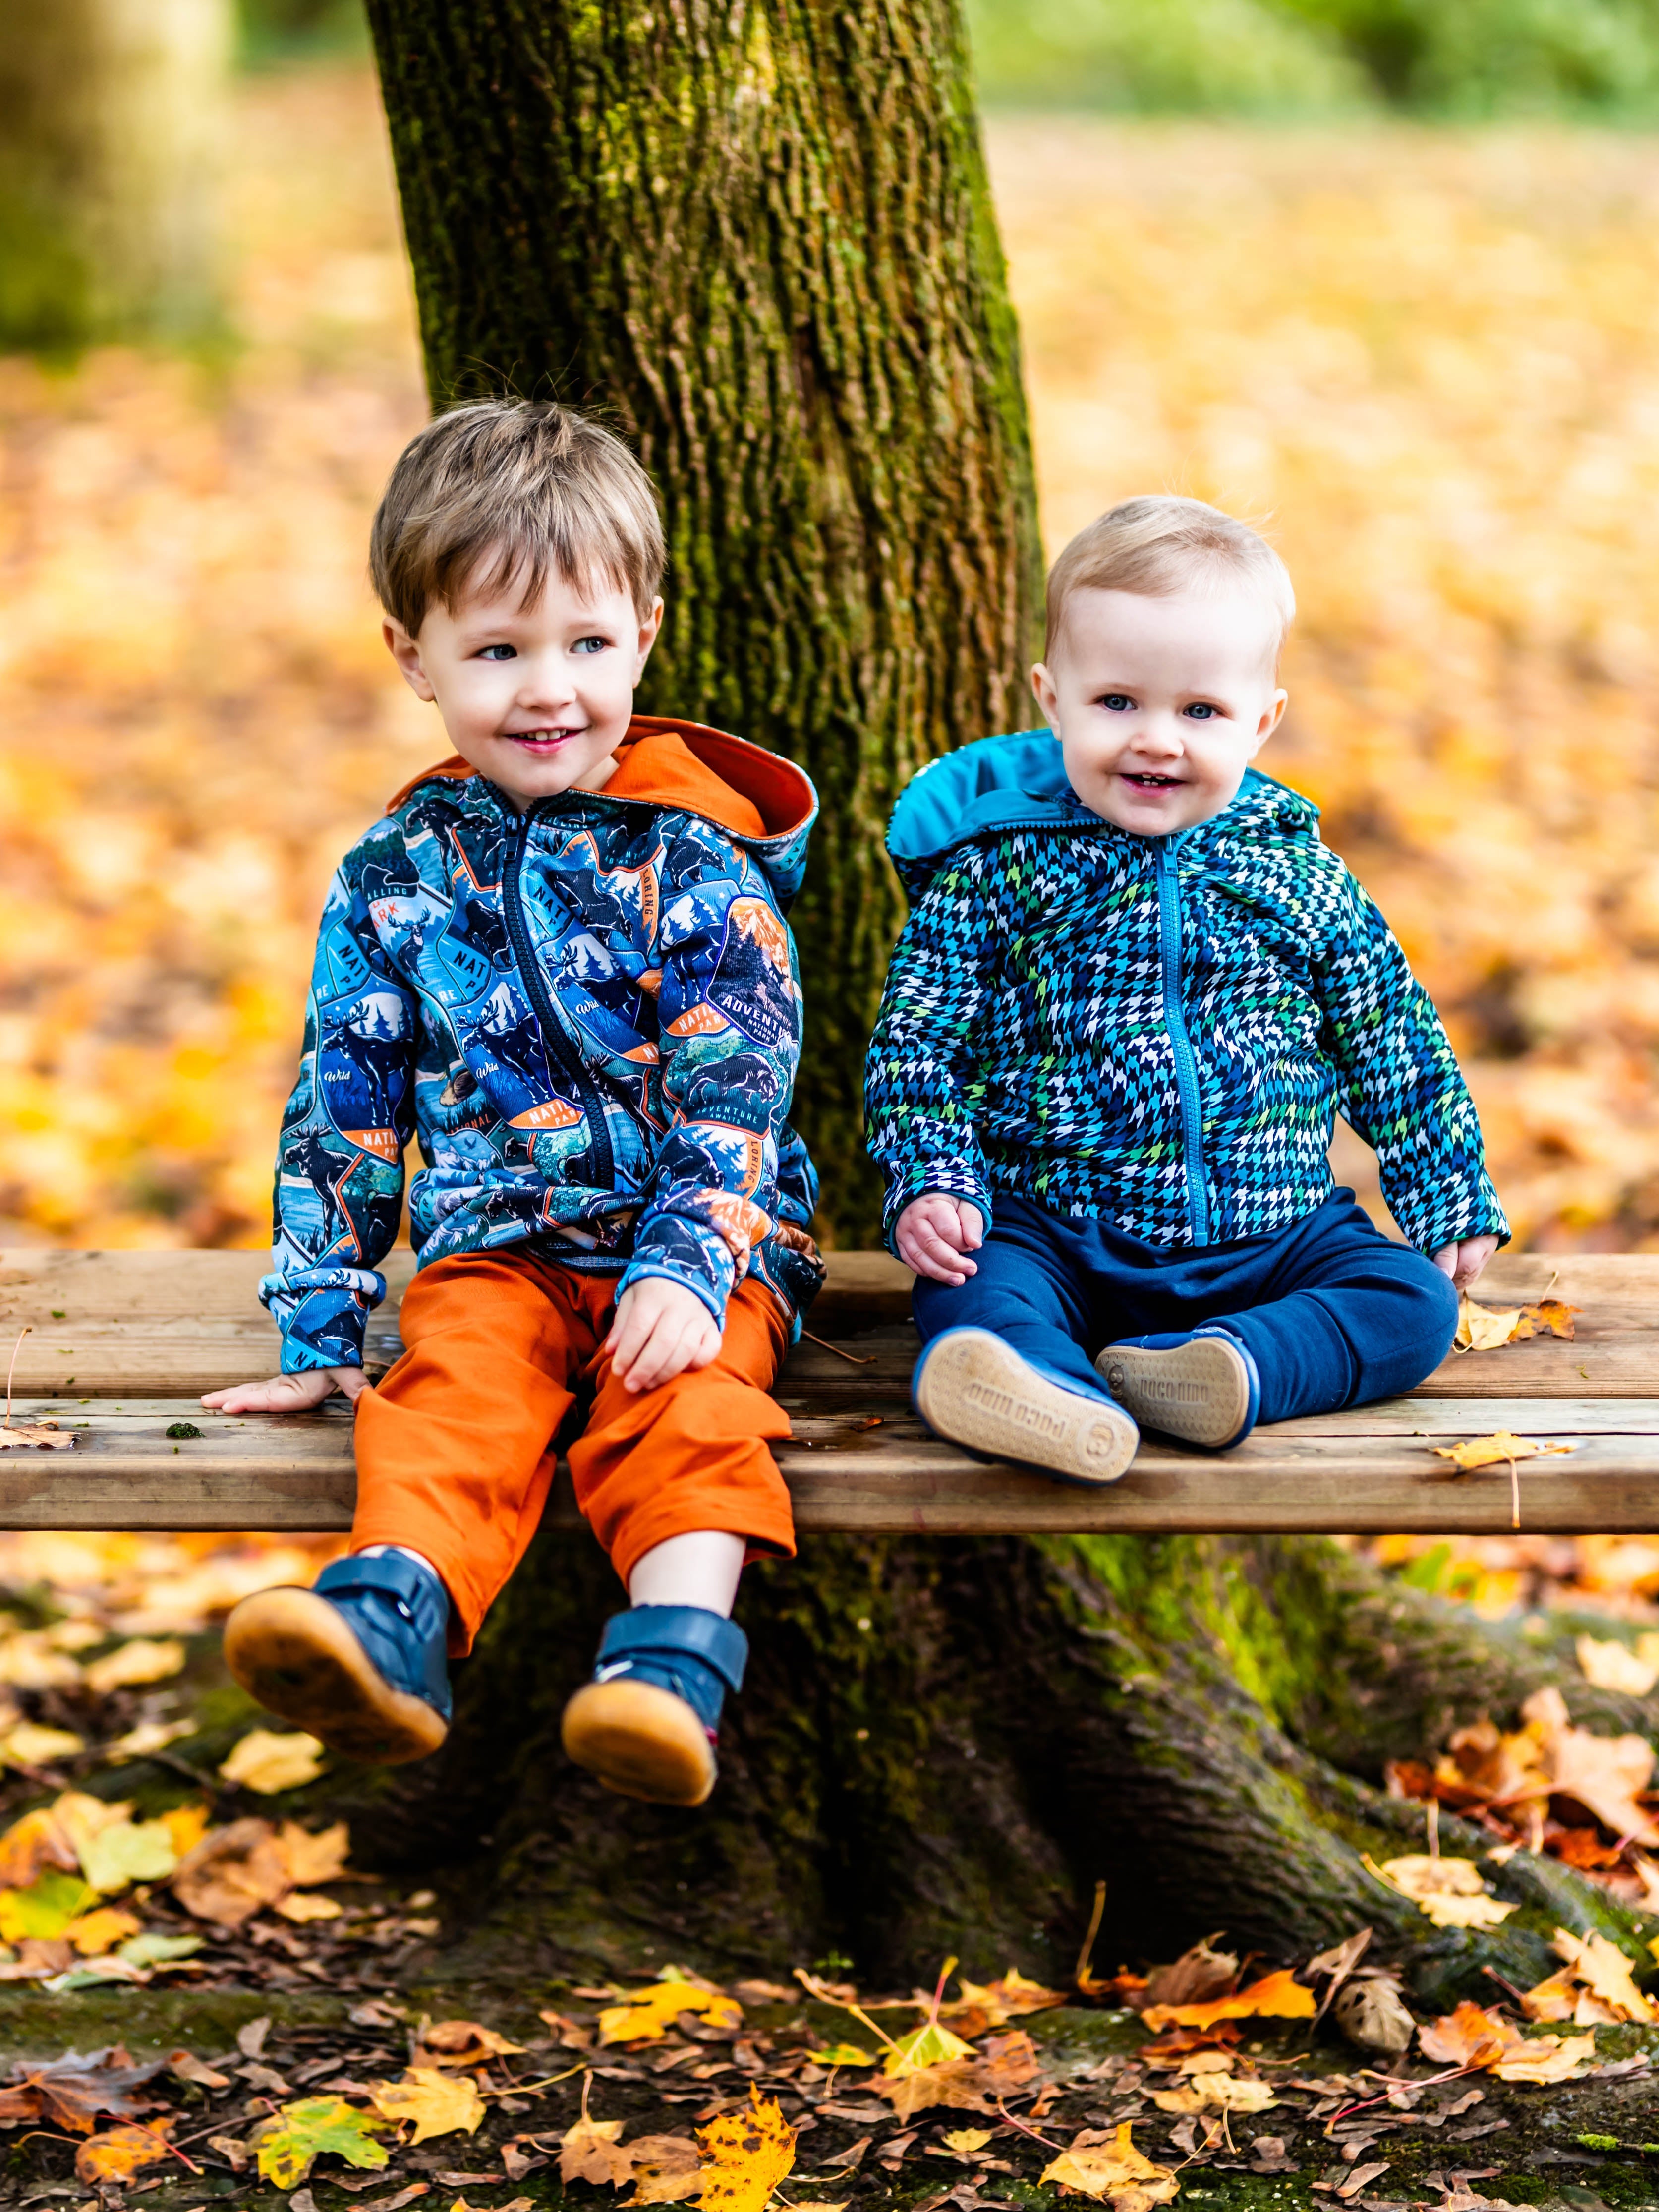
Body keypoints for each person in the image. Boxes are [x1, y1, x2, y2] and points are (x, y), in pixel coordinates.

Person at [203, 399, 822, 1807]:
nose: (549, 689)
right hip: (499, 1242)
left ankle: (669, 1670)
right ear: (412, 658)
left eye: (585, 646)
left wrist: (687, 1257)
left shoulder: (693, 856)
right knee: (447, 1395)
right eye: (497, 651)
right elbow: (344, 1098)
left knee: (686, 1413)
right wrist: (319, 1312)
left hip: (706, 1247)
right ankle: (387, 1626)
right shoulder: (397, 870)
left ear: (644, 634)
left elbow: (740, 1084)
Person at [863, 496, 1505, 1484]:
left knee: (1411, 1301)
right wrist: (935, 1176)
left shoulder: (1298, 877)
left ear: (1263, 720)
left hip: (1272, 1231)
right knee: (968, 1282)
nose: (1157, 739)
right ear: (1052, 697)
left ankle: (1234, 1369)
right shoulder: (998, 871)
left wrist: (1446, 1187)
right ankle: (1044, 1390)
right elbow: (918, 1041)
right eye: (1117, 702)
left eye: (1200, 711)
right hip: (1060, 1223)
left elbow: (1391, 1037)